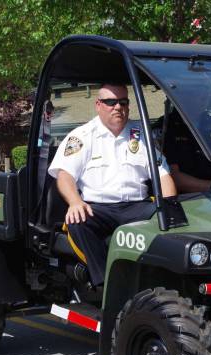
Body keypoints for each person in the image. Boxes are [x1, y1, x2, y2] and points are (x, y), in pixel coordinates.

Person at [48, 84, 177, 289]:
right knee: (78, 221)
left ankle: (169, 280)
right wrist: (74, 202)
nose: (118, 107)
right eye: (111, 102)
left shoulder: (141, 134)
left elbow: (163, 174)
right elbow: (64, 176)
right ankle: (107, 284)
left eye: (123, 102)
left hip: (137, 207)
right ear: (98, 105)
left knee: (174, 217)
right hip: (98, 209)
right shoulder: (82, 136)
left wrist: (171, 206)